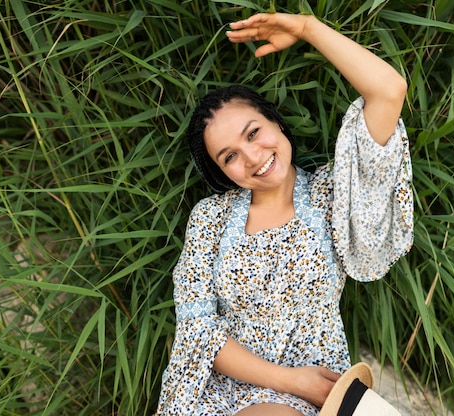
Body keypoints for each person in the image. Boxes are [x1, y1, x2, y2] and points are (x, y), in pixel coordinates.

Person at [157, 11, 413, 416]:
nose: (253, 157)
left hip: (320, 388)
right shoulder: (211, 219)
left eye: (253, 133)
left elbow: (389, 91)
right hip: (224, 389)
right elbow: (198, 331)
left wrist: (308, 28)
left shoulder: (332, 193)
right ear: (222, 172)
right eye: (230, 157)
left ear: (275, 121)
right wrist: (291, 381)